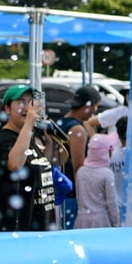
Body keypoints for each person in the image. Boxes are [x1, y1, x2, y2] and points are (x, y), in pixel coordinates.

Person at [0, 85, 58, 231]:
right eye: (21, 102)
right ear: (7, 109)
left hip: (40, 226)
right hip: (18, 230)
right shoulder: (3, 138)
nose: (28, 108)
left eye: (31, 102)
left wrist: (49, 145)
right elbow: (15, 165)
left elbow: (38, 168)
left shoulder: (27, 137)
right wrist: (29, 124)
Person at [55, 85, 100, 228]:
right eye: (96, 106)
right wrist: (83, 198)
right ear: (89, 106)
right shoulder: (76, 129)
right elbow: (78, 167)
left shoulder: (61, 122)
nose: (96, 111)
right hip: (71, 193)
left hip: (59, 187)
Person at [73, 132, 120, 229]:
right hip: (102, 221)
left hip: (82, 220)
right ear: (106, 153)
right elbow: (112, 203)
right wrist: (116, 224)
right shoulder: (107, 174)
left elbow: (79, 199)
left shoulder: (81, 172)